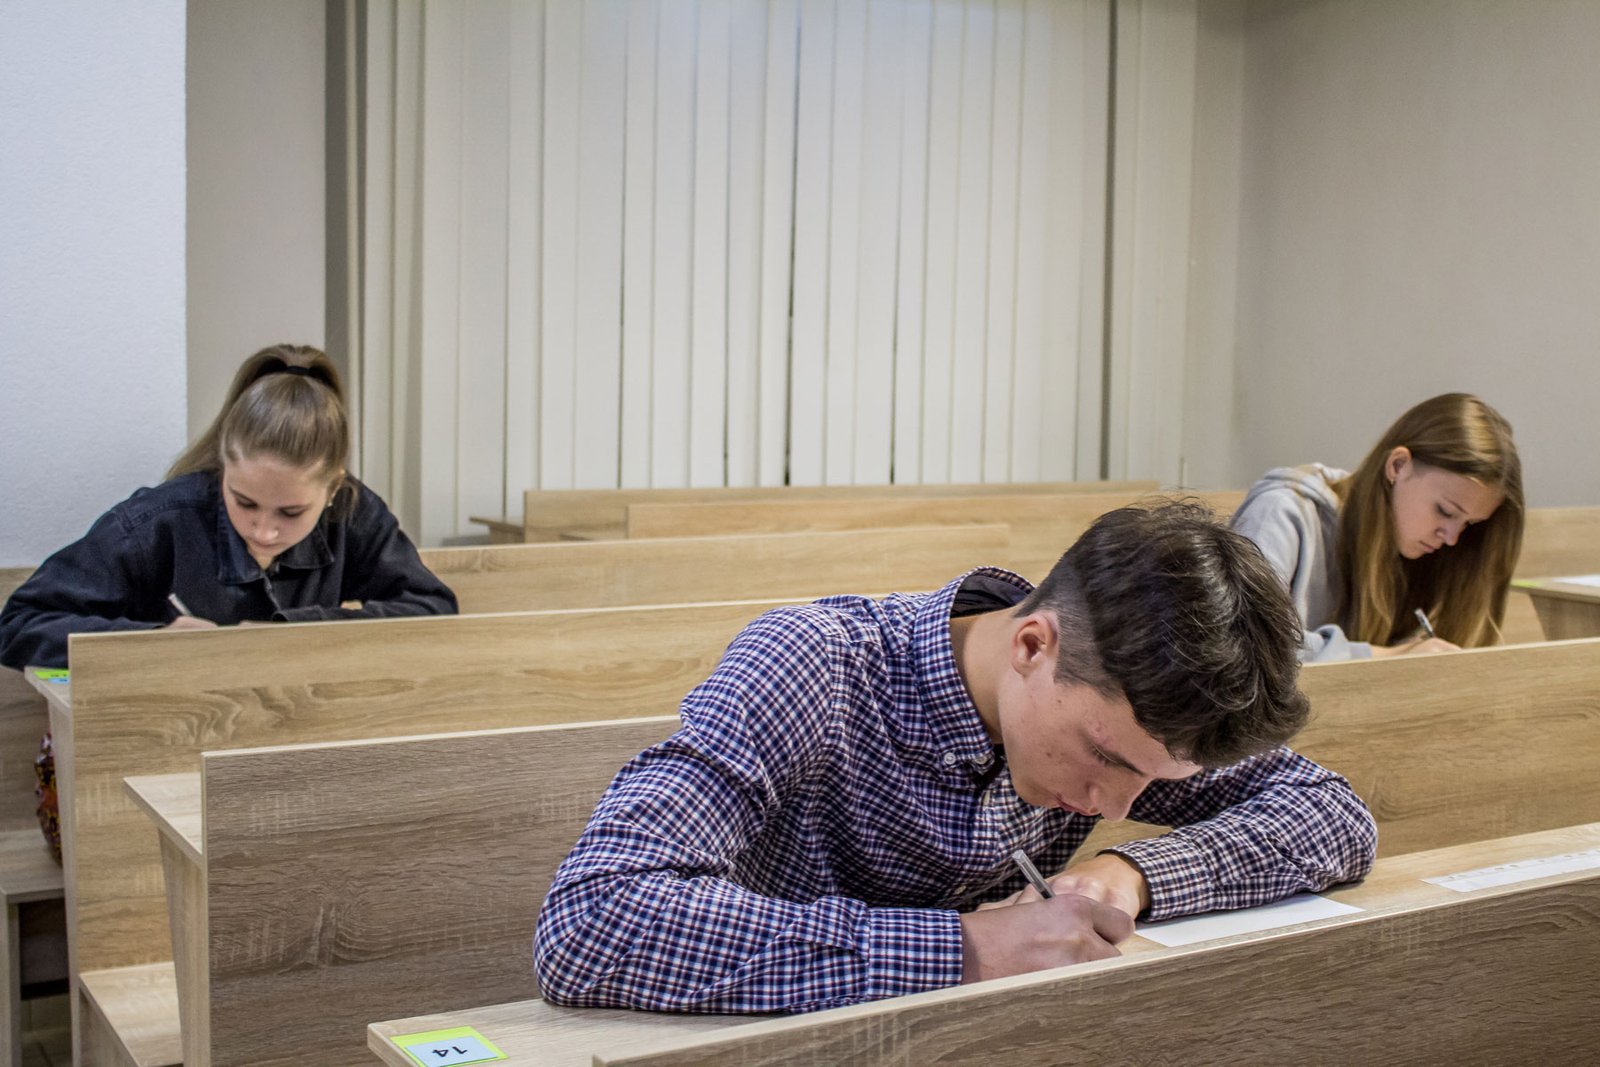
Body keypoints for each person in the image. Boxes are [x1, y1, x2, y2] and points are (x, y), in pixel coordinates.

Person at [533, 502, 1376, 1014]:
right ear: (1033, 645)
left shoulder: (1131, 722)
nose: (1116, 804)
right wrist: (967, 947)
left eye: (1154, 783)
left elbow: (1330, 813)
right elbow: (591, 919)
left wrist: (1128, 874)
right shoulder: (812, 663)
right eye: (1107, 760)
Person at [0, 344, 458, 859]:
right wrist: (150, 642)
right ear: (223, 469)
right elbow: (18, 624)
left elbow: (434, 612)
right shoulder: (157, 521)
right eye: (244, 502)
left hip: (277, 769)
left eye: (291, 512)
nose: (263, 530)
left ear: (332, 489)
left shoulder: (353, 512)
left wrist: (297, 630)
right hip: (130, 772)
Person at [1230, 393, 1523, 662]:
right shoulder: (1281, 511)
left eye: (1469, 524)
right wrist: (1385, 656)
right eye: (1444, 511)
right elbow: (1242, 642)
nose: (1452, 538)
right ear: (1398, 466)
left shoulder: (1420, 552)